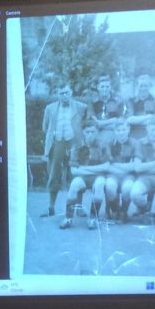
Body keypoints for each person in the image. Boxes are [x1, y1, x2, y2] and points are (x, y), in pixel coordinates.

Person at [41, 82, 87, 217]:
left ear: (71, 92)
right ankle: (51, 206)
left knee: (76, 174)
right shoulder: (50, 108)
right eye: (61, 93)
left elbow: (86, 124)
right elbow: (45, 127)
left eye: (67, 92)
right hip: (57, 144)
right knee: (54, 174)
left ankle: (78, 207)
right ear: (58, 94)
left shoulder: (81, 107)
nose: (64, 95)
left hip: (74, 144)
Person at [61, 122, 110, 230]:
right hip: (83, 177)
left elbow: (106, 166)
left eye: (93, 132)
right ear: (83, 132)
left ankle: (93, 218)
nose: (90, 134)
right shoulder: (77, 146)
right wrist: (97, 169)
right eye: (87, 132)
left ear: (97, 133)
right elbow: (74, 170)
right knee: (74, 185)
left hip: (97, 177)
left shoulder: (103, 145)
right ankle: (68, 218)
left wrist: (83, 169)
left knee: (99, 185)